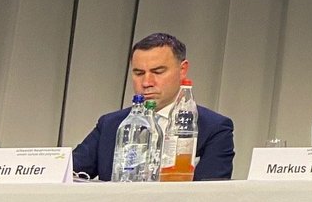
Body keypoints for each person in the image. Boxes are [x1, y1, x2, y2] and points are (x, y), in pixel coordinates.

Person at [72, 32, 235, 181]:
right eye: (139, 73)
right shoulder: (110, 124)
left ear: (182, 70)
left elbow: (209, 195)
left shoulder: (214, 129)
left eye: (157, 72)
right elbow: (66, 173)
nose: (146, 82)